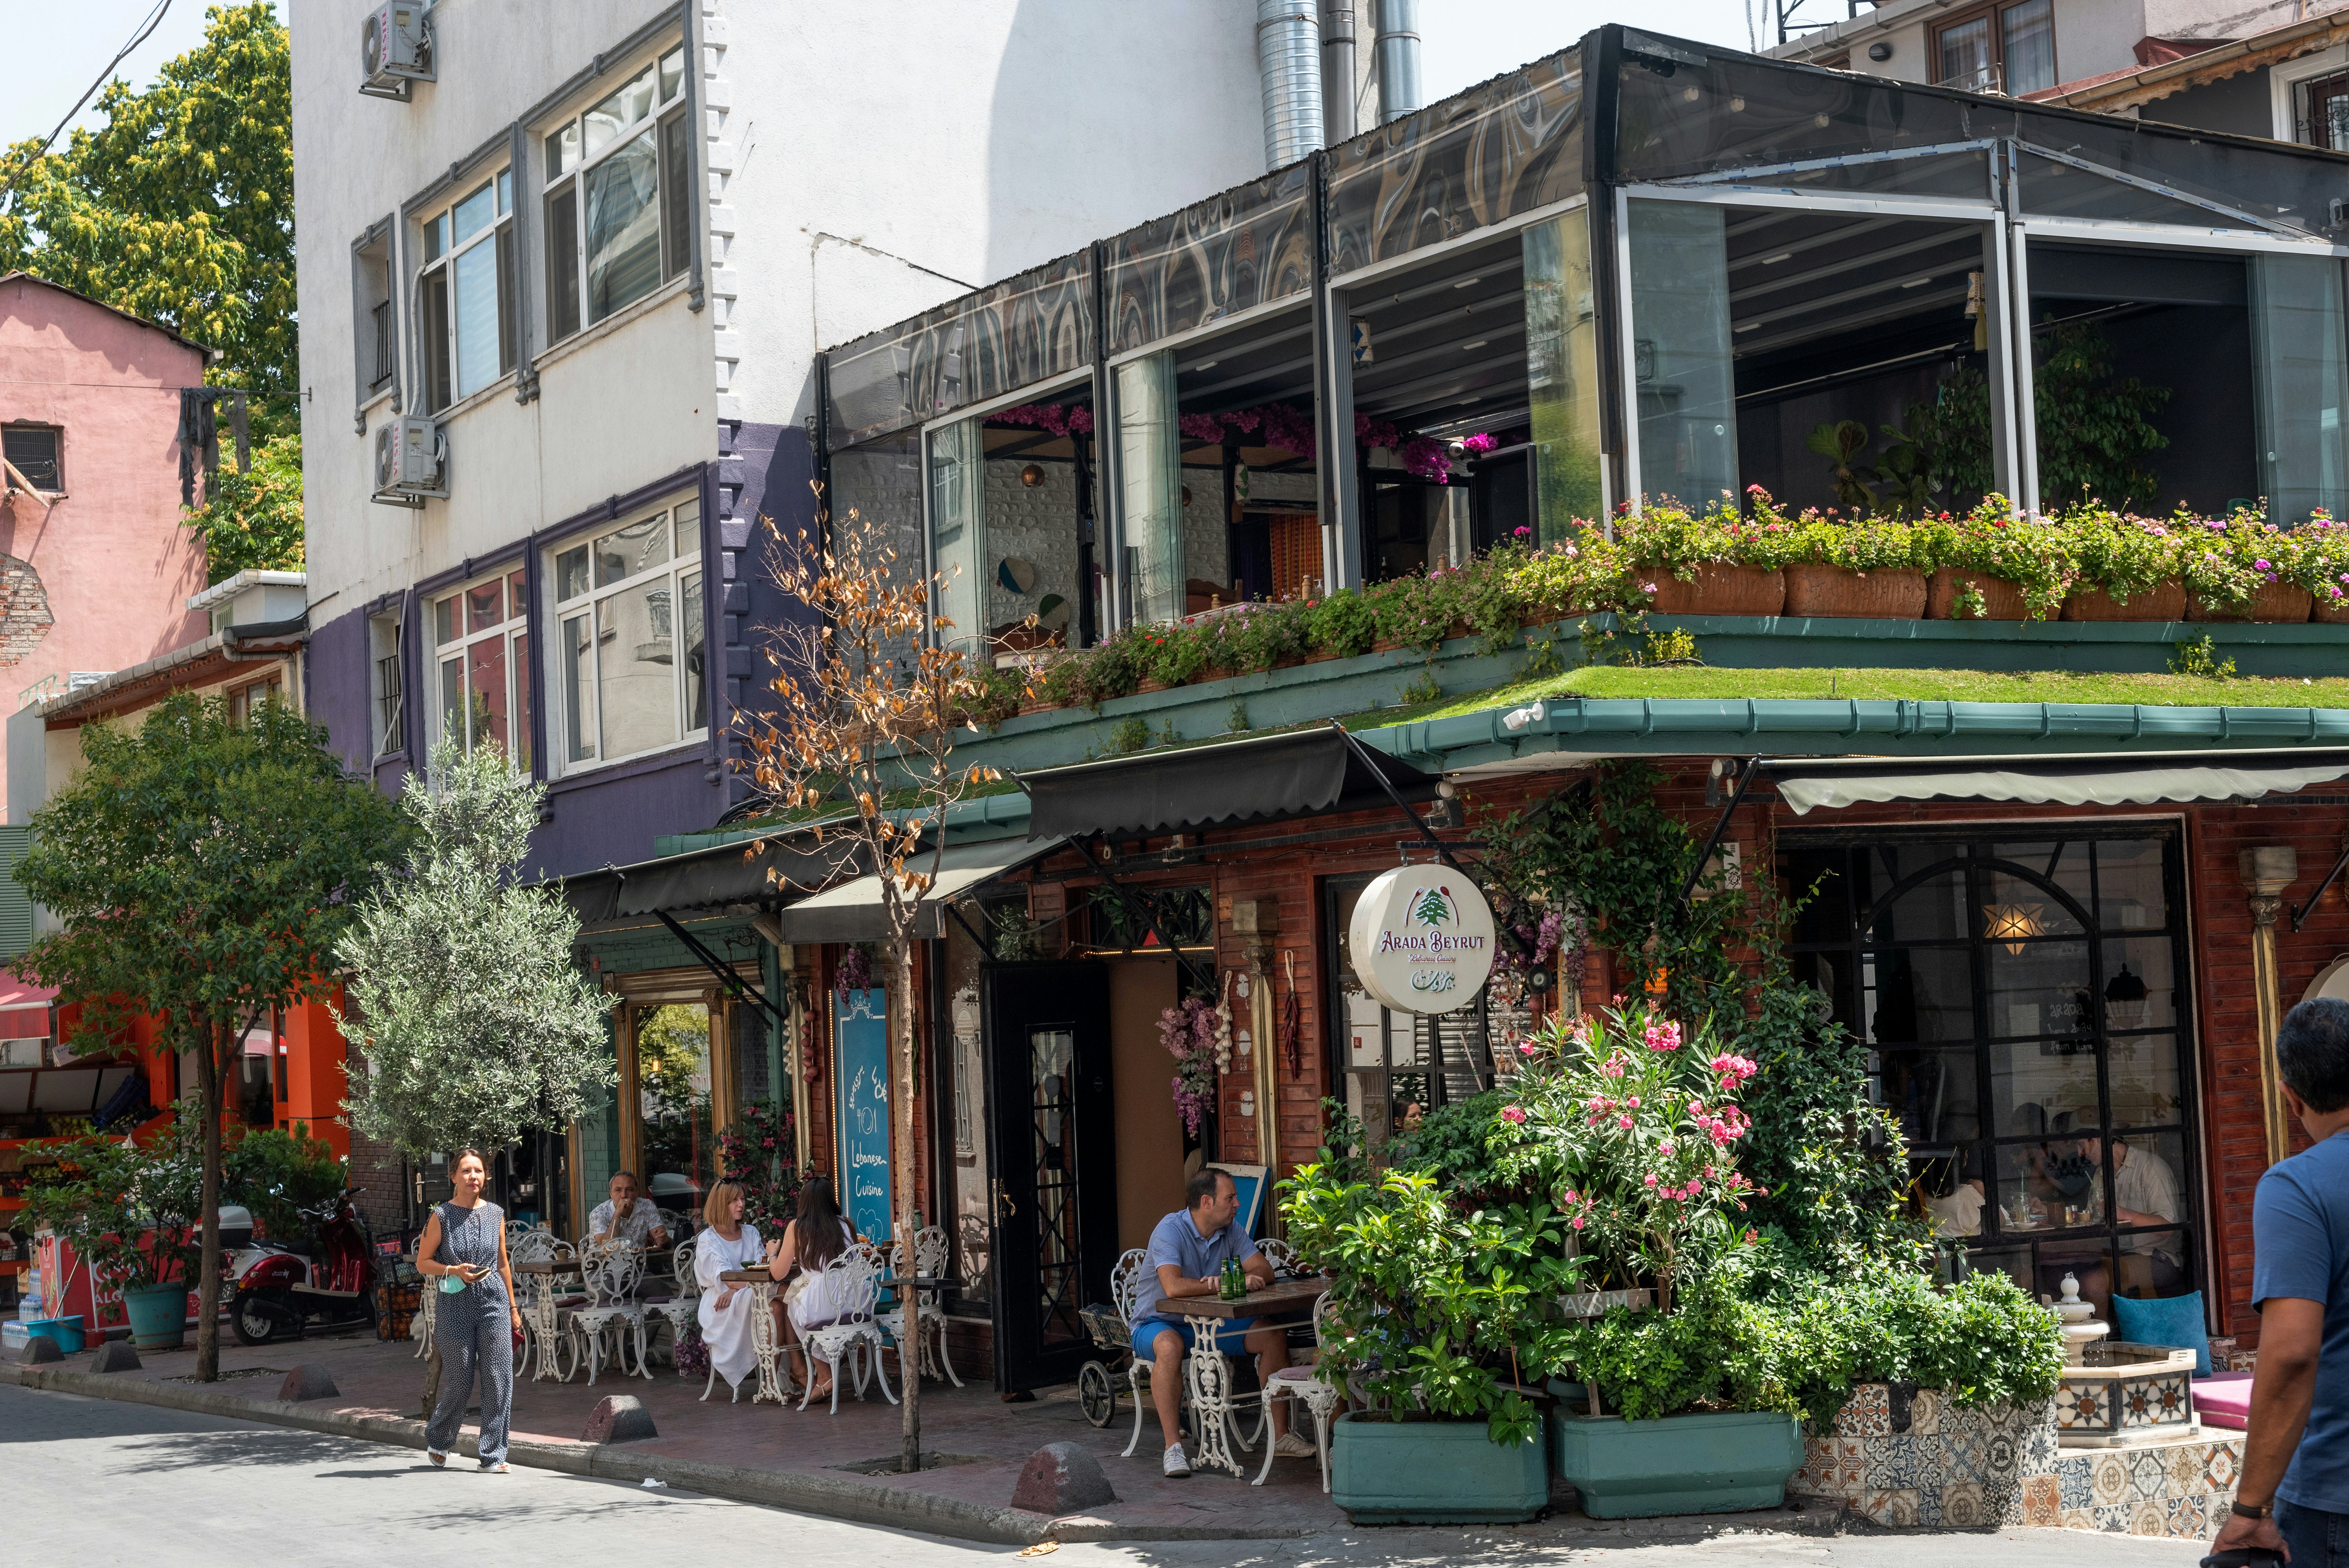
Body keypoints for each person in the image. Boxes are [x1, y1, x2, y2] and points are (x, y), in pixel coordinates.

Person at [2214, 998, 2349, 1566]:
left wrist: (2249, 1511)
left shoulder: (2297, 1188)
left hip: (2335, 1498)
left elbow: (2292, 1355)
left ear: (2290, 1097)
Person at [1132, 1167, 1313, 1479]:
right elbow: (1173, 1288)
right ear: (1206, 1202)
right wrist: (1220, 1284)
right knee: (1170, 1346)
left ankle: (1281, 1436)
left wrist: (1240, 1278)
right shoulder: (1169, 1230)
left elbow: (1265, 1271)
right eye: (1230, 1198)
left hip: (1210, 1323)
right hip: (1157, 1322)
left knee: (1271, 1336)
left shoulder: (1231, 1229)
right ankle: (1173, 1447)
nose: (1237, 1205)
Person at [416, 1149, 522, 1472]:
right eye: (465, 1171)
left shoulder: (496, 1214)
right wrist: (453, 1270)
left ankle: (493, 1456)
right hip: (455, 1304)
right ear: (453, 1177)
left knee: (498, 1377)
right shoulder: (442, 1216)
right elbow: (423, 1262)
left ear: (486, 1177)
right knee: (461, 1380)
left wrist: (514, 1308)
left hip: (494, 1303)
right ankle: (439, 1437)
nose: (472, 1176)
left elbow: (503, 1263)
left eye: (478, 1171)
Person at [767, 1175, 859, 1402]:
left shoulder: (797, 1228)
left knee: (794, 1306)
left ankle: (825, 1377)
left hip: (824, 1304)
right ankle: (818, 1375)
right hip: (855, 1301)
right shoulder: (847, 1224)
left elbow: (778, 1273)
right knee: (799, 1302)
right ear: (832, 1200)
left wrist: (772, 1252)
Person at [692, 1181, 763, 1395]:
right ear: (721, 1204)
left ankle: (775, 1374)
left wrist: (736, 1289)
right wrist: (734, 1289)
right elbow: (724, 1278)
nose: (741, 1204)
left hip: (744, 1294)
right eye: (734, 1201)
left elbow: (761, 1268)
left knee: (770, 1298)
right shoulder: (708, 1239)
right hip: (719, 1302)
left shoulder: (751, 1232)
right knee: (764, 1297)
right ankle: (776, 1375)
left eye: (742, 1199)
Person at [588, 1170, 670, 1253]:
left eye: (630, 1190)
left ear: (637, 1192)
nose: (624, 1195)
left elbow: (663, 1240)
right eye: (618, 1190)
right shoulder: (598, 1213)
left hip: (639, 1263)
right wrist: (617, 1214)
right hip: (603, 1264)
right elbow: (605, 1247)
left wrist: (663, 1240)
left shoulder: (647, 1206)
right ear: (611, 1194)